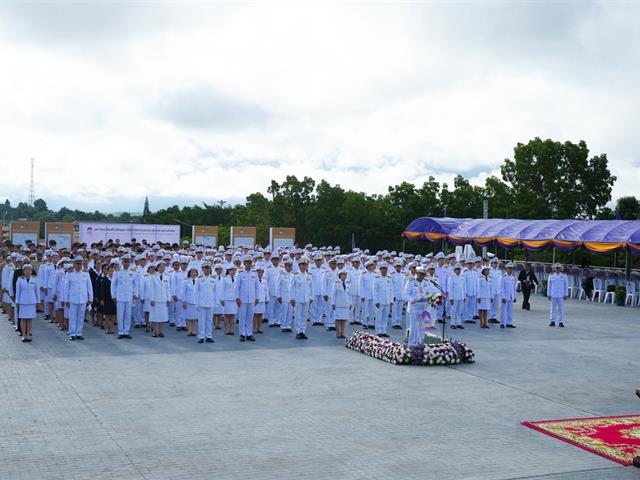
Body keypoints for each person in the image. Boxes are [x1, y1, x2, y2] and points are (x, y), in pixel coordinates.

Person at [64, 256, 93, 341]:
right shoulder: (69, 273)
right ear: (74, 264)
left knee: (80, 317)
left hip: (83, 299)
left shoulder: (86, 273)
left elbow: (89, 286)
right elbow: (66, 287)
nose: (79, 265)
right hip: (73, 299)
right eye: (77, 264)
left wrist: (91, 298)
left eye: (80, 263)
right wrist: (66, 299)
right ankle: (72, 334)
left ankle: (79, 333)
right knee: (72, 317)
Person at [110, 254, 137, 339]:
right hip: (120, 297)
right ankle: (121, 332)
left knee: (128, 315)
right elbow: (113, 285)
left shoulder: (133, 271)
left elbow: (135, 284)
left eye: (128, 262)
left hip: (129, 297)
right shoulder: (117, 272)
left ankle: (126, 331)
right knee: (120, 315)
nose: (126, 264)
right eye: (125, 262)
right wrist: (113, 296)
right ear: (122, 262)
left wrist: (135, 294)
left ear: (129, 263)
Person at [235, 256, 260, 342]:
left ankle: (249, 333)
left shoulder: (254, 273)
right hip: (242, 299)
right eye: (247, 263)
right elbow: (237, 286)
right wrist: (237, 297)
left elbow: (257, 286)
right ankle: (242, 334)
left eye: (250, 263)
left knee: (250, 317)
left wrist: (257, 297)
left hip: (252, 299)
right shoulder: (240, 272)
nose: (248, 264)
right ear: (244, 263)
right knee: (242, 317)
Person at [15, 263, 39, 342]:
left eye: (29, 270)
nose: (28, 271)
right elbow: (18, 291)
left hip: (31, 301)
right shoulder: (20, 279)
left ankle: (28, 334)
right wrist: (17, 302)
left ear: (31, 271)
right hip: (23, 301)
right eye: (26, 270)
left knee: (29, 319)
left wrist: (38, 301)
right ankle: (23, 334)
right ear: (23, 271)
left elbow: (37, 291)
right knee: (23, 318)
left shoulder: (35, 279)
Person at [290, 258, 312, 339]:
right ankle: (298, 331)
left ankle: (303, 331)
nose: (303, 266)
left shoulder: (309, 275)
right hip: (297, 299)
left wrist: (311, 297)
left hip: (306, 298)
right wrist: (292, 298)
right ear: (299, 266)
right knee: (298, 315)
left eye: (305, 265)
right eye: (302, 264)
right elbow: (291, 287)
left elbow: (311, 287)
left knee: (304, 316)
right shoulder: (295, 275)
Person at [195, 262, 216, 343]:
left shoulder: (213, 279)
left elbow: (216, 292)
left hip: (210, 302)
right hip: (201, 302)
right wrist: (196, 303)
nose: (207, 269)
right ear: (202, 269)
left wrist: (216, 302)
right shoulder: (199, 278)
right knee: (201, 320)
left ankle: (209, 336)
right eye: (205, 268)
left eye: (208, 268)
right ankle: (201, 336)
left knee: (209, 320)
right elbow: (196, 292)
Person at [149, 261, 171, 338]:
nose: (162, 268)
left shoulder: (167, 277)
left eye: (163, 267)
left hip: (163, 299)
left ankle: (160, 331)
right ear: (157, 268)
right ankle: (154, 331)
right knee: (154, 316)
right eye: (161, 267)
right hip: (155, 299)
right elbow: (151, 289)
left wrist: (168, 299)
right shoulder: (153, 277)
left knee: (162, 316)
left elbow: (168, 289)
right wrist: (151, 299)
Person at [373, 262, 393, 337]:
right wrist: (376, 301)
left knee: (385, 317)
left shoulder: (389, 279)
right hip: (380, 301)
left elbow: (391, 290)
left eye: (385, 269)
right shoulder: (377, 279)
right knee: (379, 317)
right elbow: (374, 290)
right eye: (383, 269)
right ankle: (378, 331)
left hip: (387, 301)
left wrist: (391, 301)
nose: (384, 270)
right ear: (380, 270)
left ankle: (384, 331)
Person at [547, 263, 569, 327]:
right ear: (554, 269)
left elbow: (566, 286)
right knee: (552, 308)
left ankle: (561, 322)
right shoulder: (551, 276)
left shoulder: (564, 276)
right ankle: (552, 321)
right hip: (553, 294)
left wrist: (566, 294)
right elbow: (549, 286)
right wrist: (548, 294)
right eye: (556, 268)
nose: (557, 269)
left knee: (561, 309)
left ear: (561, 269)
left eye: (559, 268)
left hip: (561, 295)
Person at [331, 270, 351, 339]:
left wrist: (350, 303)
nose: (345, 276)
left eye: (346, 274)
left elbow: (349, 294)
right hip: (338, 303)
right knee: (338, 319)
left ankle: (342, 332)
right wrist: (333, 303)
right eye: (343, 274)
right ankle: (338, 332)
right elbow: (333, 294)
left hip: (345, 303)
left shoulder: (348, 283)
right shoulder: (336, 283)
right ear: (340, 275)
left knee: (344, 319)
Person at [99, 262, 117, 334]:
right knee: (107, 315)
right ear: (107, 271)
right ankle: (106, 328)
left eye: (113, 271)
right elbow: (102, 290)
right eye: (110, 271)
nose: (111, 273)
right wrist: (102, 299)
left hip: (114, 299)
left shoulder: (115, 279)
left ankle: (112, 328)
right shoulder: (105, 279)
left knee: (113, 315)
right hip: (107, 299)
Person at [181, 268, 199, 336]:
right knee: (188, 317)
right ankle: (189, 330)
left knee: (194, 318)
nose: (194, 273)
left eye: (195, 272)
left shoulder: (199, 280)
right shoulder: (186, 281)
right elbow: (183, 292)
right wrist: (184, 301)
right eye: (192, 272)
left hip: (196, 302)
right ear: (189, 273)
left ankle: (194, 331)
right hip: (188, 301)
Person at [277, 259, 294, 333]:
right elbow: (277, 286)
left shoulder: (293, 275)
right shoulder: (281, 274)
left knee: (290, 311)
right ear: (285, 266)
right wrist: (278, 296)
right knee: (284, 311)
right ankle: (283, 325)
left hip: (291, 296)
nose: (289, 268)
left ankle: (288, 325)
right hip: (283, 296)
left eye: (290, 266)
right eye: (287, 266)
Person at [447, 264, 466, 329]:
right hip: (454, 297)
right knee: (453, 311)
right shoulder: (452, 277)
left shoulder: (462, 277)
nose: (459, 270)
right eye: (457, 269)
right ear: (454, 270)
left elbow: (464, 287)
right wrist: (451, 298)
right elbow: (450, 288)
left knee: (459, 311)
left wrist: (464, 296)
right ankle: (452, 323)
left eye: (459, 269)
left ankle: (458, 323)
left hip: (461, 297)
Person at [500, 262, 517, 328]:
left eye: (511, 268)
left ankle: (509, 323)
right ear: (506, 269)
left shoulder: (513, 277)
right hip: (505, 296)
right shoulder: (503, 277)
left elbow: (514, 288)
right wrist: (503, 297)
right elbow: (501, 288)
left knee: (510, 311)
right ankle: (502, 322)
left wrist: (515, 296)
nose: (510, 270)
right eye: (509, 268)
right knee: (503, 310)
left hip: (511, 296)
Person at [222, 265, 238, 335]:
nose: (234, 271)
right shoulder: (225, 279)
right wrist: (222, 299)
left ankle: (231, 329)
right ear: (229, 271)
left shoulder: (237, 278)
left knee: (232, 315)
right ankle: (226, 329)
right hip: (227, 299)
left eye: (235, 270)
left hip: (234, 299)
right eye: (232, 270)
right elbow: (222, 290)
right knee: (227, 315)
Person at [390, 260, 407, 329]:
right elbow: (391, 286)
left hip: (402, 295)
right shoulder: (392, 275)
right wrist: (392, 295)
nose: (398, 268)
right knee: (394, 310)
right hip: (395, 295)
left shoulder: (404, 275)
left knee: (400, 310)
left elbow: (405, 286)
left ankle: (398, 322)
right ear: (395, 267)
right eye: (397, 266)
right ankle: (394, 323)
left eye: (400, 266)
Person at [253, 265, 268, 334]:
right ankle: (255, 328)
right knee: (255, 314)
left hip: (262, 299)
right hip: (255, 299)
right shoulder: (253, 280)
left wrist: (267, 298)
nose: (260, 274)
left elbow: (266, 290)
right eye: (259, 272)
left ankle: (259, 328)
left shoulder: (264, 280)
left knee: (260, 314)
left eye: (262, 272)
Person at [488, 258, 501, 323]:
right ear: (491, 264)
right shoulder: (489, 271)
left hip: (497, 290)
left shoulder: (499, 272)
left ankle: (493, 317)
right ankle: (489, 317)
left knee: (496, 305)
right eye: (494, 263)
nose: (495, 264)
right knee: (490, 304)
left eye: (496, 263)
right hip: (491, 290)